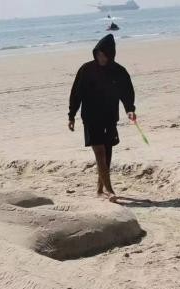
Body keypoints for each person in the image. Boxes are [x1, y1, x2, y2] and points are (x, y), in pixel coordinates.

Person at [68, 34, 136, 201]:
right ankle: (109, 189)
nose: (101, 58)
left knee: (107, 154)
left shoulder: (119, 71)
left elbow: (127, 92)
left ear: (111, 54)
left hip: (110, 117)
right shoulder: (86, 69)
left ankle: (100, 189)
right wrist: (71, 115)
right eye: (98, 54)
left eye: (104, 54)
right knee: (99, 152)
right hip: (91, 117)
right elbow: (76, 93)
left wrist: (129, 109)